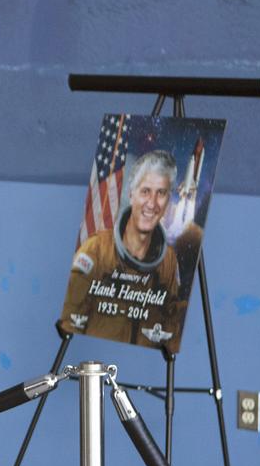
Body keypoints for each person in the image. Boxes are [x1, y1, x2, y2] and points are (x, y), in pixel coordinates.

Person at [60, 150, 185, 350]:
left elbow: (170, 323)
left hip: (142, 365)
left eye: (160, 193)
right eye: (145, 191)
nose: (152, 203)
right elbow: (70, 319)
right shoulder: (96, 251)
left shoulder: (168, 260)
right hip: (99, 358)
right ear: (131, 195)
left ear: (168, 200)